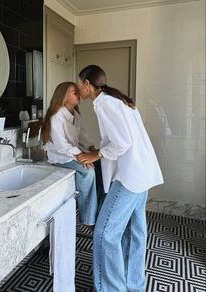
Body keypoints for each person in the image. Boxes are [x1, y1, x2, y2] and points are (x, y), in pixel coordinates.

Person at [77, 65, 164, 292]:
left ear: (87, 84)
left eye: (79, 84)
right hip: (141, 173)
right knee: (134, 232)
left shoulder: (105, 103)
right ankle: (133, 286)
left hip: (129, 177)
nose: (78, 89)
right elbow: (124, 138)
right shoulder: (119, 100)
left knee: (105, 233)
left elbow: (123, 142)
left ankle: (110, 288)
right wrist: (102, 149)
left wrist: (97, 154)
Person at [41, 81, 100, 227]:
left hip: (71, 154)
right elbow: (61, 146)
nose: (78, 94)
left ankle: (97, 209)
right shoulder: (56, 116)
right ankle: (88, 219)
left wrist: (91, 149)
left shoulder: (76, 115)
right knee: (88, 171)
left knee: (100, 165)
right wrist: (82, 156)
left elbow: (82, 137)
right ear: (63, 96)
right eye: (74, 92)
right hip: (59, 157)